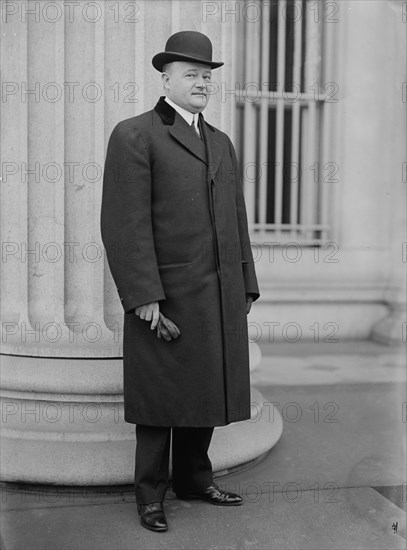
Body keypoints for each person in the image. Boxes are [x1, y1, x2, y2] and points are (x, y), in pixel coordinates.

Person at [100, 31, 260, 533]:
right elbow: (123, 225)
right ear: (165, 78)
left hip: (217, 295)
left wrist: (245, 286)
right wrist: (144, 296)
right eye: (191, 74)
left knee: (206, 392)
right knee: (159, 401)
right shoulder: (135, 134)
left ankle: (194, 479)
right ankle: (150, 495)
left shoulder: (220, 142)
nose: (202, 83)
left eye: (207, 76)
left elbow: (236, 218)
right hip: (165, 298)